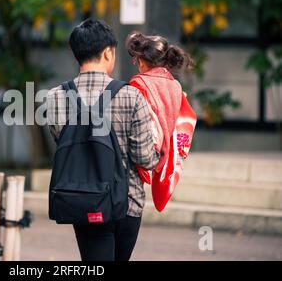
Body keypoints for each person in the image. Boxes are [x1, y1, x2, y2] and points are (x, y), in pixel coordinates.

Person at [46, 19, 160, 261]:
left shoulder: (55, 97)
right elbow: (145, 159)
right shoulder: (132, 96)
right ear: (108, 52)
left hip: (82, 199)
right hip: (126, 204)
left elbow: (64, 142)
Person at [125, 31, 197, 211]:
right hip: (162, 150)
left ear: (141, 61)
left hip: (138, 153)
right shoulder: (175, 85)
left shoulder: (138, 83)